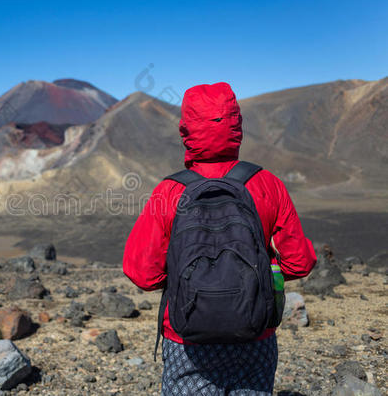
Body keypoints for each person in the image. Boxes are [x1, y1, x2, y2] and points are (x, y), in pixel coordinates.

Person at [122, 82, 317, 395]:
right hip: (255, 336)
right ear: (237, 126)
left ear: (186, 129)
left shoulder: (170, 192)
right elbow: (299, 262)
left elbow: (143, 273)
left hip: (187, 340)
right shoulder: (267, 184)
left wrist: (188, 278)